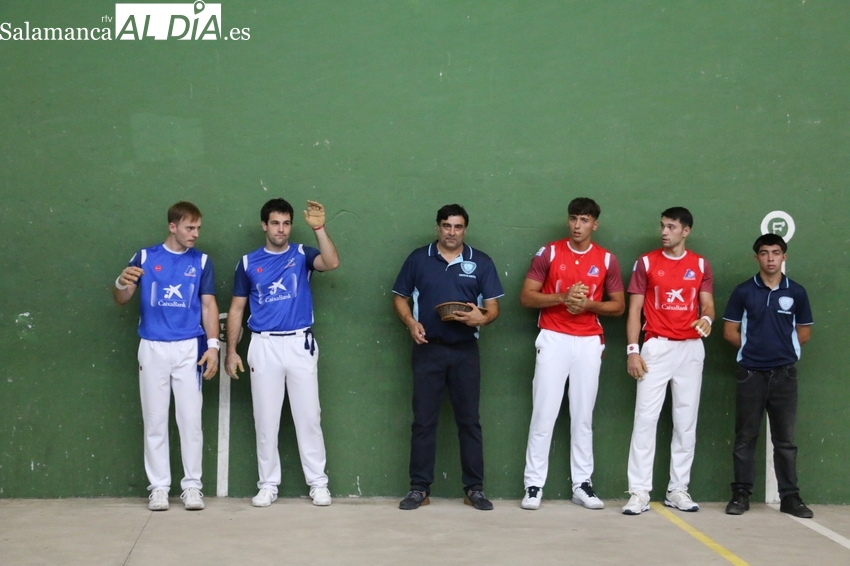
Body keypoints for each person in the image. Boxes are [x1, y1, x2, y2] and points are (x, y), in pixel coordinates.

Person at [225, 198, 339, 508]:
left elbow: (331, 263)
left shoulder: (302, 255)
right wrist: (231, 350)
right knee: (266, 419)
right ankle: (268, 484)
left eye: (286, 223)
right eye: (275, 223)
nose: (281, 229)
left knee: (309, 418)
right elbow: (237, 308)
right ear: (264, 225)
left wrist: (319, 228)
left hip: (300, 343)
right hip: (264, 346)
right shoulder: (248, 263)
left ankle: (318, 483)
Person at [392, 204, 504, 511]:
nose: (451, 232)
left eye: (457, 227)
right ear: (438, 227)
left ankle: (475, 488)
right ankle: (419, 488)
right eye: (446, 226)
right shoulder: (418, 258)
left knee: (469, 422)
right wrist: (411, 324)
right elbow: (400, 297)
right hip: (427, 349)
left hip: (465, 351)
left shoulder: (480, 262)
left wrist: (480, 319)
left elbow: (493, 308)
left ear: (465, 229)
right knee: (423, 422)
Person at [112, 201, 220, 511]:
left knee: (190, 420)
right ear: (173, 227)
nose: (195, 234)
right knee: (155, 420)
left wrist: (213, 345)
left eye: (198, 228)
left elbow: (208, 304)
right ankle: (159, 487)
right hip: (153, 346)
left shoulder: (201, 262)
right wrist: (121, 281)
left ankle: (192, 487)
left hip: (189, 348)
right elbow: (122, 298)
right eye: (189, 228)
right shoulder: (145, 257)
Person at [519, 198, 624, 511]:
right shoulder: (549, 252)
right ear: (569, 221)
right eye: (574, 219)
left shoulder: (606, 260)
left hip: (589, 342)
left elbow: (618, 306)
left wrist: (589, 305)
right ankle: (533, 484)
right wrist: (562, 297)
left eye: (585, 220)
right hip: (553, 338)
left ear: (595, 224)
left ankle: (582, 484)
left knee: (582, 416)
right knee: (544, 414)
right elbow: (526, 297)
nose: (578, 226)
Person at [622, 206, 715, 516]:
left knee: (685, 422)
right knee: (645, 421)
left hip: (690, 350)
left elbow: (708, 306)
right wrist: (633, 350)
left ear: (685, 231)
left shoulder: (700, 264)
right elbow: (635, 310)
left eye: (671, 227)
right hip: (656, 349)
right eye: (662, 225)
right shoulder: (646, 263)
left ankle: (678, 489)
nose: (664, 231)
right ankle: (639, 492)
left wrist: (707, 320)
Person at [722, 234, 814, 518]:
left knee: (785, 440)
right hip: (751, 374)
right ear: (757, 258)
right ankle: (740, 494)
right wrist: (755, 349)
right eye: (764, 253)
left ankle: (790, 497)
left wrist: (782, 351)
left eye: (776, 252)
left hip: (785, 375)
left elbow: (805, 332)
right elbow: (729, 331)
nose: (770, 258)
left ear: (784, 256)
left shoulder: (796, 292)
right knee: (745, 438)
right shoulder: (743, 291)